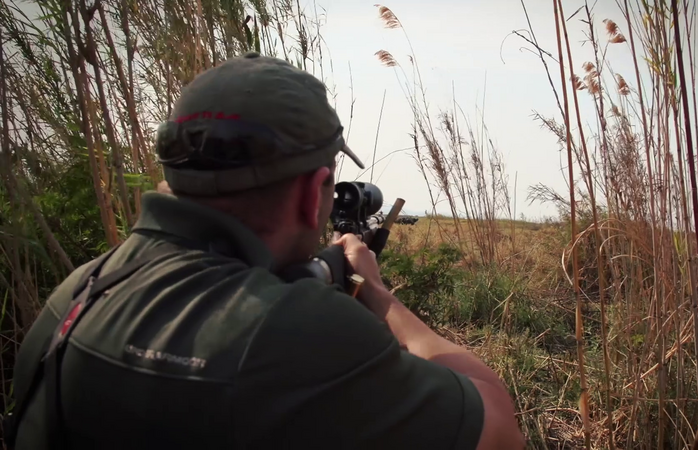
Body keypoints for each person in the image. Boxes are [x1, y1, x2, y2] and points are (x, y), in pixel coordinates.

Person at [7, 52, 524, 450]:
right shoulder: (291, 329)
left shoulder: (77, 292)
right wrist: (378, 294)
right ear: (309, 192)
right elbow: (499, 429)